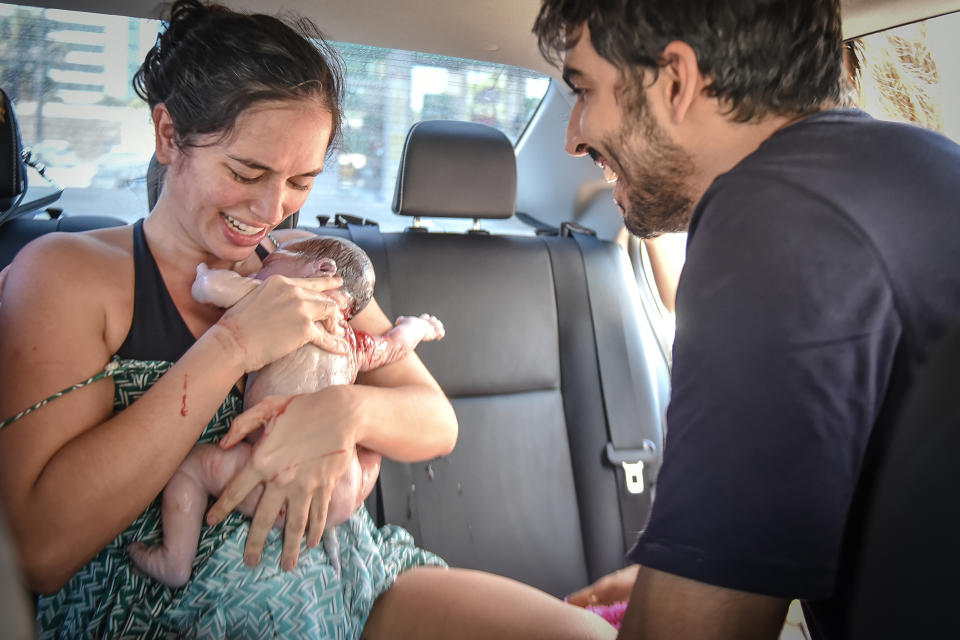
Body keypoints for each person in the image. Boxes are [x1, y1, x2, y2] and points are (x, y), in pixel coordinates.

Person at [0, 1, 616, 638]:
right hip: (165, 607)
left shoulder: (304, 264)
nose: (273, 207)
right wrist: (233, 345)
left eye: (302, 179)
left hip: (348, 570)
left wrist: (340, 417)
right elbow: (42, 550)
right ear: (167, 134)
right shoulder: (69, 275)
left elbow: (434, 419)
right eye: (247, 171)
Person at [532, 1, 960, 639]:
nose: (572, 136)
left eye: (585, 90)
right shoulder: (926, 163)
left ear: (675, 81)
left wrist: (677, 601)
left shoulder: (772, 217)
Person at [128, 236, 445, 588]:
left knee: (192, 469)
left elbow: (211, 288)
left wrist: (203, 273)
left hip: (267, 471)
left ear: (321, 271)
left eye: (269, 263)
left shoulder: (277, 302)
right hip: (340, 492)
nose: (261, 269)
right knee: (370, 452)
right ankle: (329, 526)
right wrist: (419, 326)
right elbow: (395, 345)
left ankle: (175, 562)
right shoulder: (356, 343)